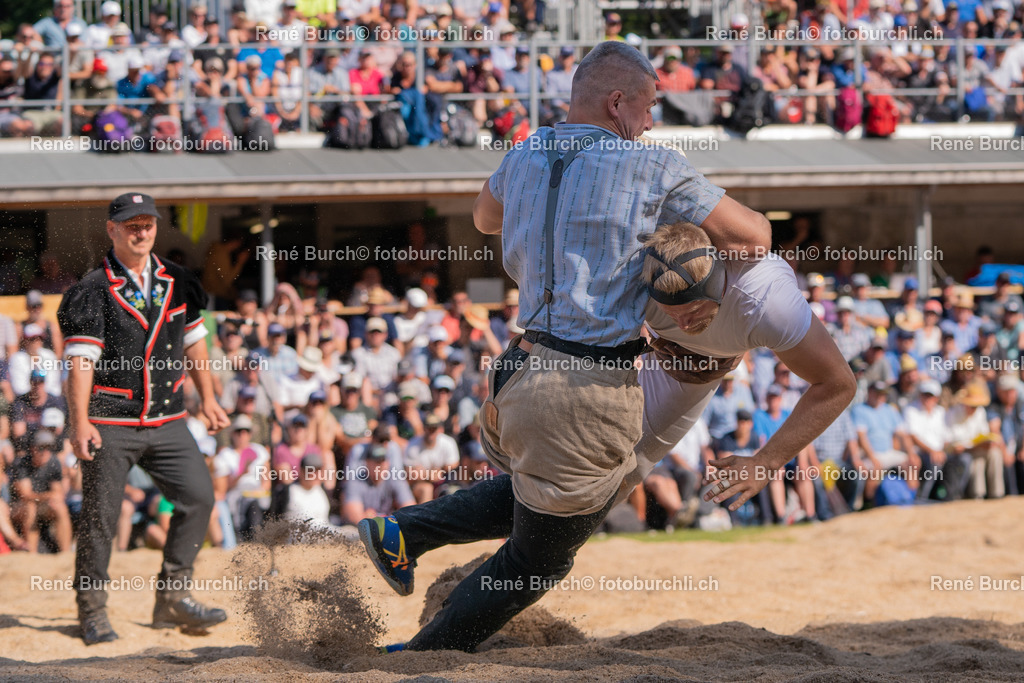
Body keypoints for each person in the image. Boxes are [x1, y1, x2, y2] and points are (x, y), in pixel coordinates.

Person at [357, 42, 774, 653]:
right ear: (617, 102)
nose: (652, 121)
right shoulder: (650, 165)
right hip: (585, 387)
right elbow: (756, 236)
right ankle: (420, 656)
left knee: (545, 496)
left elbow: (483, 218)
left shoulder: (525, 151)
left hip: (514, 372)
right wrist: (688, 268)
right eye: (650, 106)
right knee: (541, 557)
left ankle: (402, 531)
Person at [58, 192, 230, 645]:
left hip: (169, 417)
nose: (141, 231)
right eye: (131, 225)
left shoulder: (180, 279)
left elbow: (195, 342)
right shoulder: (91, 289)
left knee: (198, 497)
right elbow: (79, 363)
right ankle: (91, 610)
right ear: (112, 230)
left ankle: (173, 598)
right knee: (101, 519)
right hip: (109, 420)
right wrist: (79, 424)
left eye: (147, 224)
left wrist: (209, 399)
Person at [11, 431, 72, 553]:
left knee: (60, 507)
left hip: (41, 505)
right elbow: (25, 495)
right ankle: (32, 555)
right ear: (32, 448)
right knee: (30, 507)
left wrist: (49, 497)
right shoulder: (22, 463)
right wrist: (48, 496)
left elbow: (58, 493)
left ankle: (66, 553)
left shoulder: (53, 462)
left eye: (48, 448)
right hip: (18, 508)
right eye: (41, 448)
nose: (45, 452)